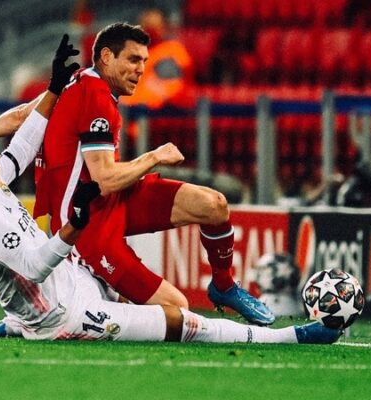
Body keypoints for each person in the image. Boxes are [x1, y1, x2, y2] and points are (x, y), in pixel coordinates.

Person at [0, 35, 341, 345]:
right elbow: (35, 266)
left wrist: (54, 88)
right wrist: (74, 226)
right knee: (180, 320)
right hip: (62, 314)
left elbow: (21, 148)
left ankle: (18, 320)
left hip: (71, 277)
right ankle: (291, 337)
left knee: (186, 245)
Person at [33, 23, 275, 325]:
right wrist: (155, 156)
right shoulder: (94, 97)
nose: (141, 70)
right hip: (87, 229)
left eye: (144, 61)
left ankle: (223, 286)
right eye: (134, 60)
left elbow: (24, 115)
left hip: (114, 201)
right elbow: (103, 180)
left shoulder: (82, 82)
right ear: (106, 57)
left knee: (214, 206)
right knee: (178, 309)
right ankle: (69, 304)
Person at [120, 8, 194, 110]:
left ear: (165, 28)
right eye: (145, 28)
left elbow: (172, 89)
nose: (148, 33)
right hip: (131, 111)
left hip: (160, 113)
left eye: (154, 29)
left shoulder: (172, 51)